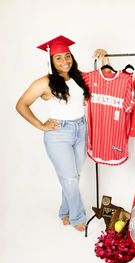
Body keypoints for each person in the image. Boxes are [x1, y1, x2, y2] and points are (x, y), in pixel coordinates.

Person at [16, 35, 109, 232]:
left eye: (67, 56)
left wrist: (105, 57)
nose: (64, 61)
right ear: (51, 60)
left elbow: (105, 79)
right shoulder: (44, 83)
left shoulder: (79, 77)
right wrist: (41, 125)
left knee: (73, 175)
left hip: (81, 130)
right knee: (70, 178)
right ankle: (77, 217)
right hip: (59, 134)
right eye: (58, 57)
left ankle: (64, 211)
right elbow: (21, 105)